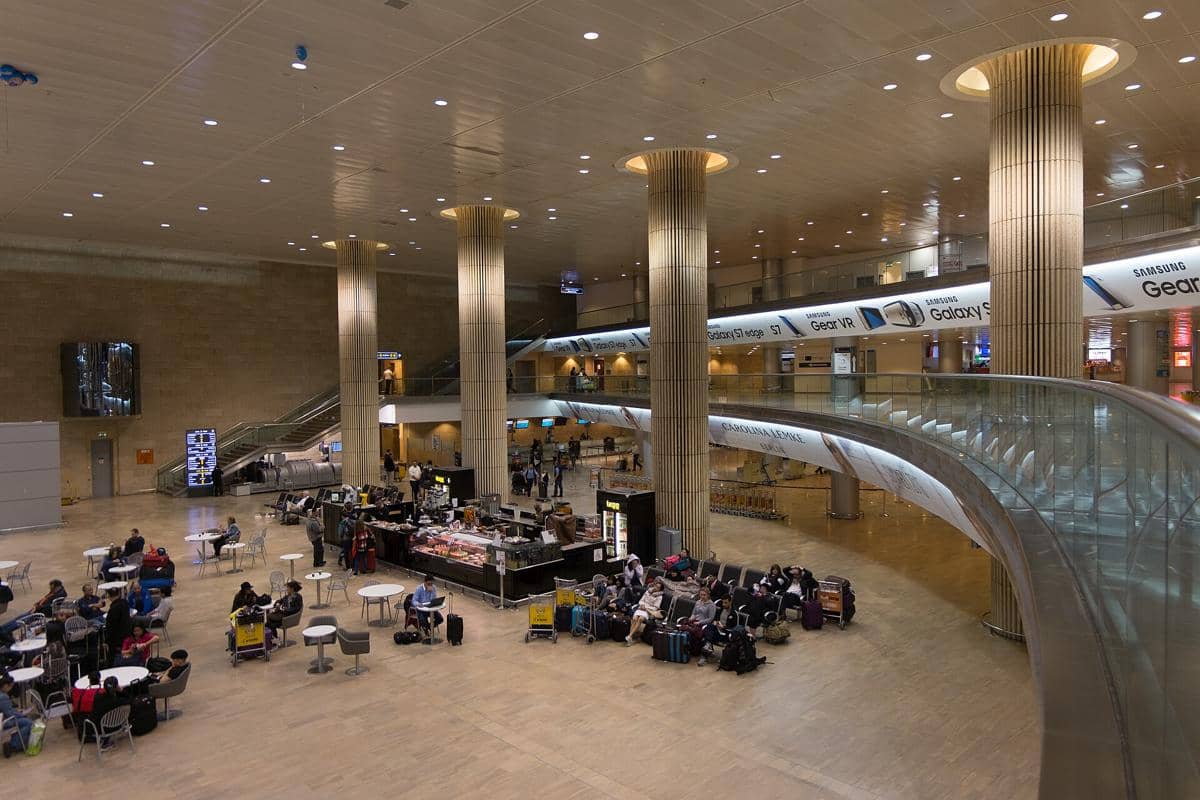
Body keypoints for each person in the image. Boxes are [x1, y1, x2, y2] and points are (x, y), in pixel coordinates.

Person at [0, 578, 66, 641]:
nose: (51, 589)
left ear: (57, 587)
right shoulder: (54, 592)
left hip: (41, 612)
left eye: (52, 587)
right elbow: (44, 599)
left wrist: (37, 607)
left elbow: (49, 606)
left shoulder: (58, 595)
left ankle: (3, 631)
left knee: (21, 621)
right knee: (19, 618)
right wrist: (36, 604)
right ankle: (3, 629)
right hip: (38, 609)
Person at [682, 586, 718, 664]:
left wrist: (700, 622)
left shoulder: (711, 605)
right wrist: (691, 619)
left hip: (704, 624)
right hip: (695, 621)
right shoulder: (698, 602)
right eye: (701, 595)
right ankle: (687, 647)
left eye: (704, 595)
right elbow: (694, 613)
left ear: (708, 595)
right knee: (683, 626)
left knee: (694, 631)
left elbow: (710, 618)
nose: (702, 597)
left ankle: (698, 650)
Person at [0, 672, 32, 757]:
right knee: (28, 722)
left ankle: (19, 743)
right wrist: (22, 713)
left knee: (25, 720)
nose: (11, 689)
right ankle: (14, 745)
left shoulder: (2, 695)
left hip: (3, 718)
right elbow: (10, 714)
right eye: (11, 686)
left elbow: (7, 710)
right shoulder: (3, 697)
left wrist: (17, 711)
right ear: (6, 686)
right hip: (4, 721)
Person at [626, 578, 664, 645]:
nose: (656, 588)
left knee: (640, 619)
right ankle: (631, 637)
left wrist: (646, 608)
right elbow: (641, 600)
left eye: (658, 587)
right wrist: (642, 605)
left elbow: (655, 608)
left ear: (660, 589)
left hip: (649, 611)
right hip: (641, 608)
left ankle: (630, 636)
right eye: (655, 586)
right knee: (634, 618)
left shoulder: (659, 597)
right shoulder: (647, 592)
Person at [103, 587, 131, 667]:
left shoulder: (113, 609)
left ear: (108, 596)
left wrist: (107, 640)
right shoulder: (125, 603)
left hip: (116, 641)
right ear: (119, 594)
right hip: (127, 636)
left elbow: (110, 627)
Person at [411, 575, 443, 639]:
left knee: (440, 618)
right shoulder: (419, 589)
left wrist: (431, 592)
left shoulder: (433, 588)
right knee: (423, 620)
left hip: (430, 608)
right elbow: (414, 601)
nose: (430, 585)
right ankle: (427, 627)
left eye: (431, 584)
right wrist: (418, 604)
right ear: (424, 582)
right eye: (428, 584)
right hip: (421, 609)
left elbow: (433, 600)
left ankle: (428, 627)